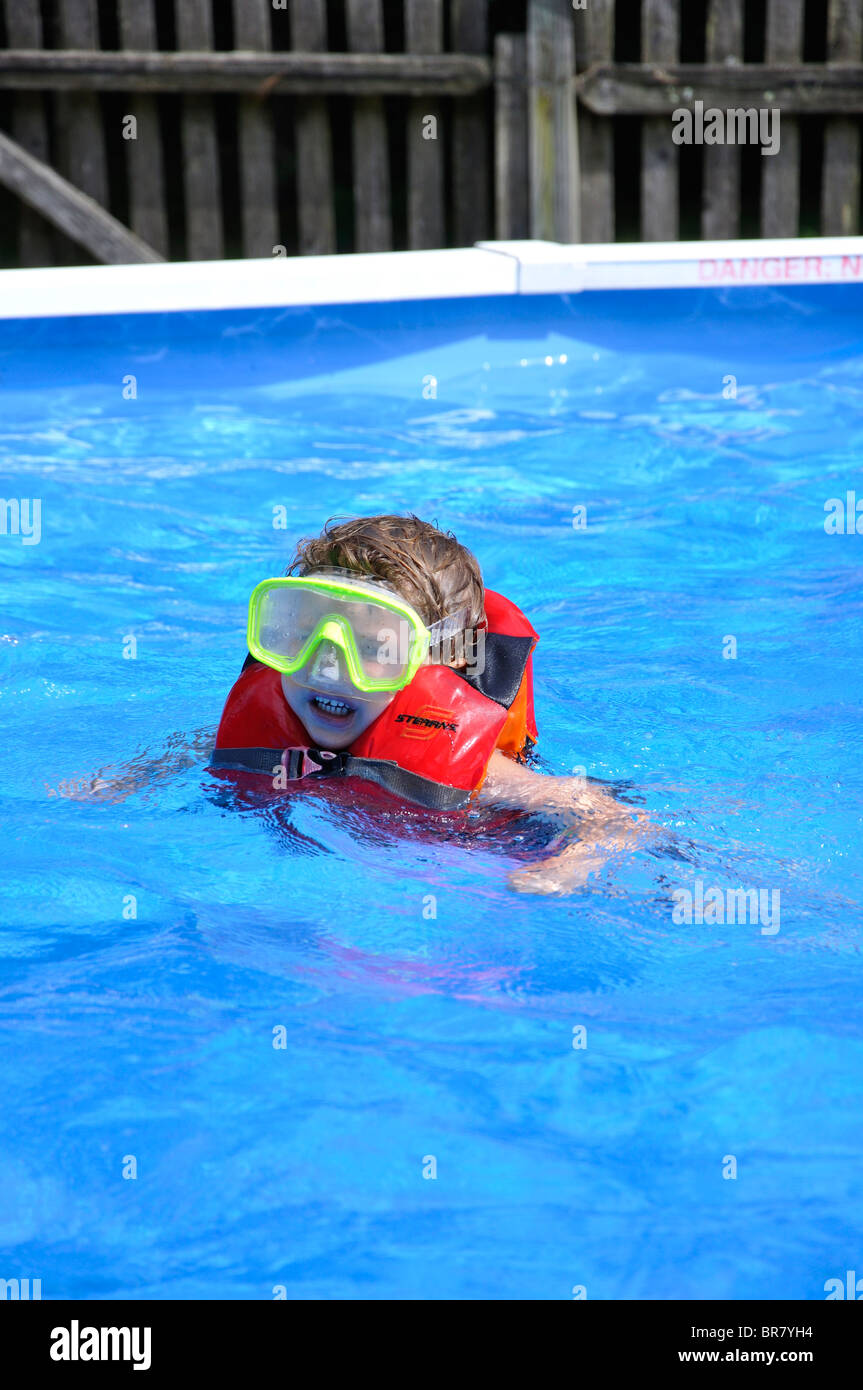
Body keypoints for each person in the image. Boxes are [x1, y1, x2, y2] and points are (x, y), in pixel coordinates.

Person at [213, 514, 650, 894]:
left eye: (373, 647)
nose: (328, 667)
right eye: (307, 634)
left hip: (482, 861)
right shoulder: (256, 728)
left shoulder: (482, 774)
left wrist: (568, 868)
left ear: (450, 653)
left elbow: (616, 819)